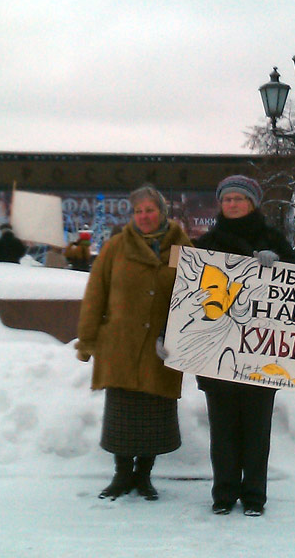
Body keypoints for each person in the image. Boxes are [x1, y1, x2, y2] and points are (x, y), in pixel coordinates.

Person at [74, 185, 192, 502]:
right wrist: (87, 340)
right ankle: (122, 474)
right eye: (138, 211)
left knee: (154, 416)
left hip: (162, 346)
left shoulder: (183, 248)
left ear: (163, 212)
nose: (144, 216)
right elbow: (95, 294)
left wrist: (182, 337)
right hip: (120, 346)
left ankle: (144, 476)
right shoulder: (115, 247)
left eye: (150, 210)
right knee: (123, 417)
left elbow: (198, 295)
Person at [192, 174, 293, 517]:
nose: (232, 204)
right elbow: (188, 296)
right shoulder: (205, 242)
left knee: (256, 428)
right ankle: (223, 493)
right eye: (227, 199)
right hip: (216, 350)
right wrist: (169, 335)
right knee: (222, 430)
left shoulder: (274, 239)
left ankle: (254, 495)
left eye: (239, 198)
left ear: (252, 203)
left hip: (260, 352)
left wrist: (279, 264)